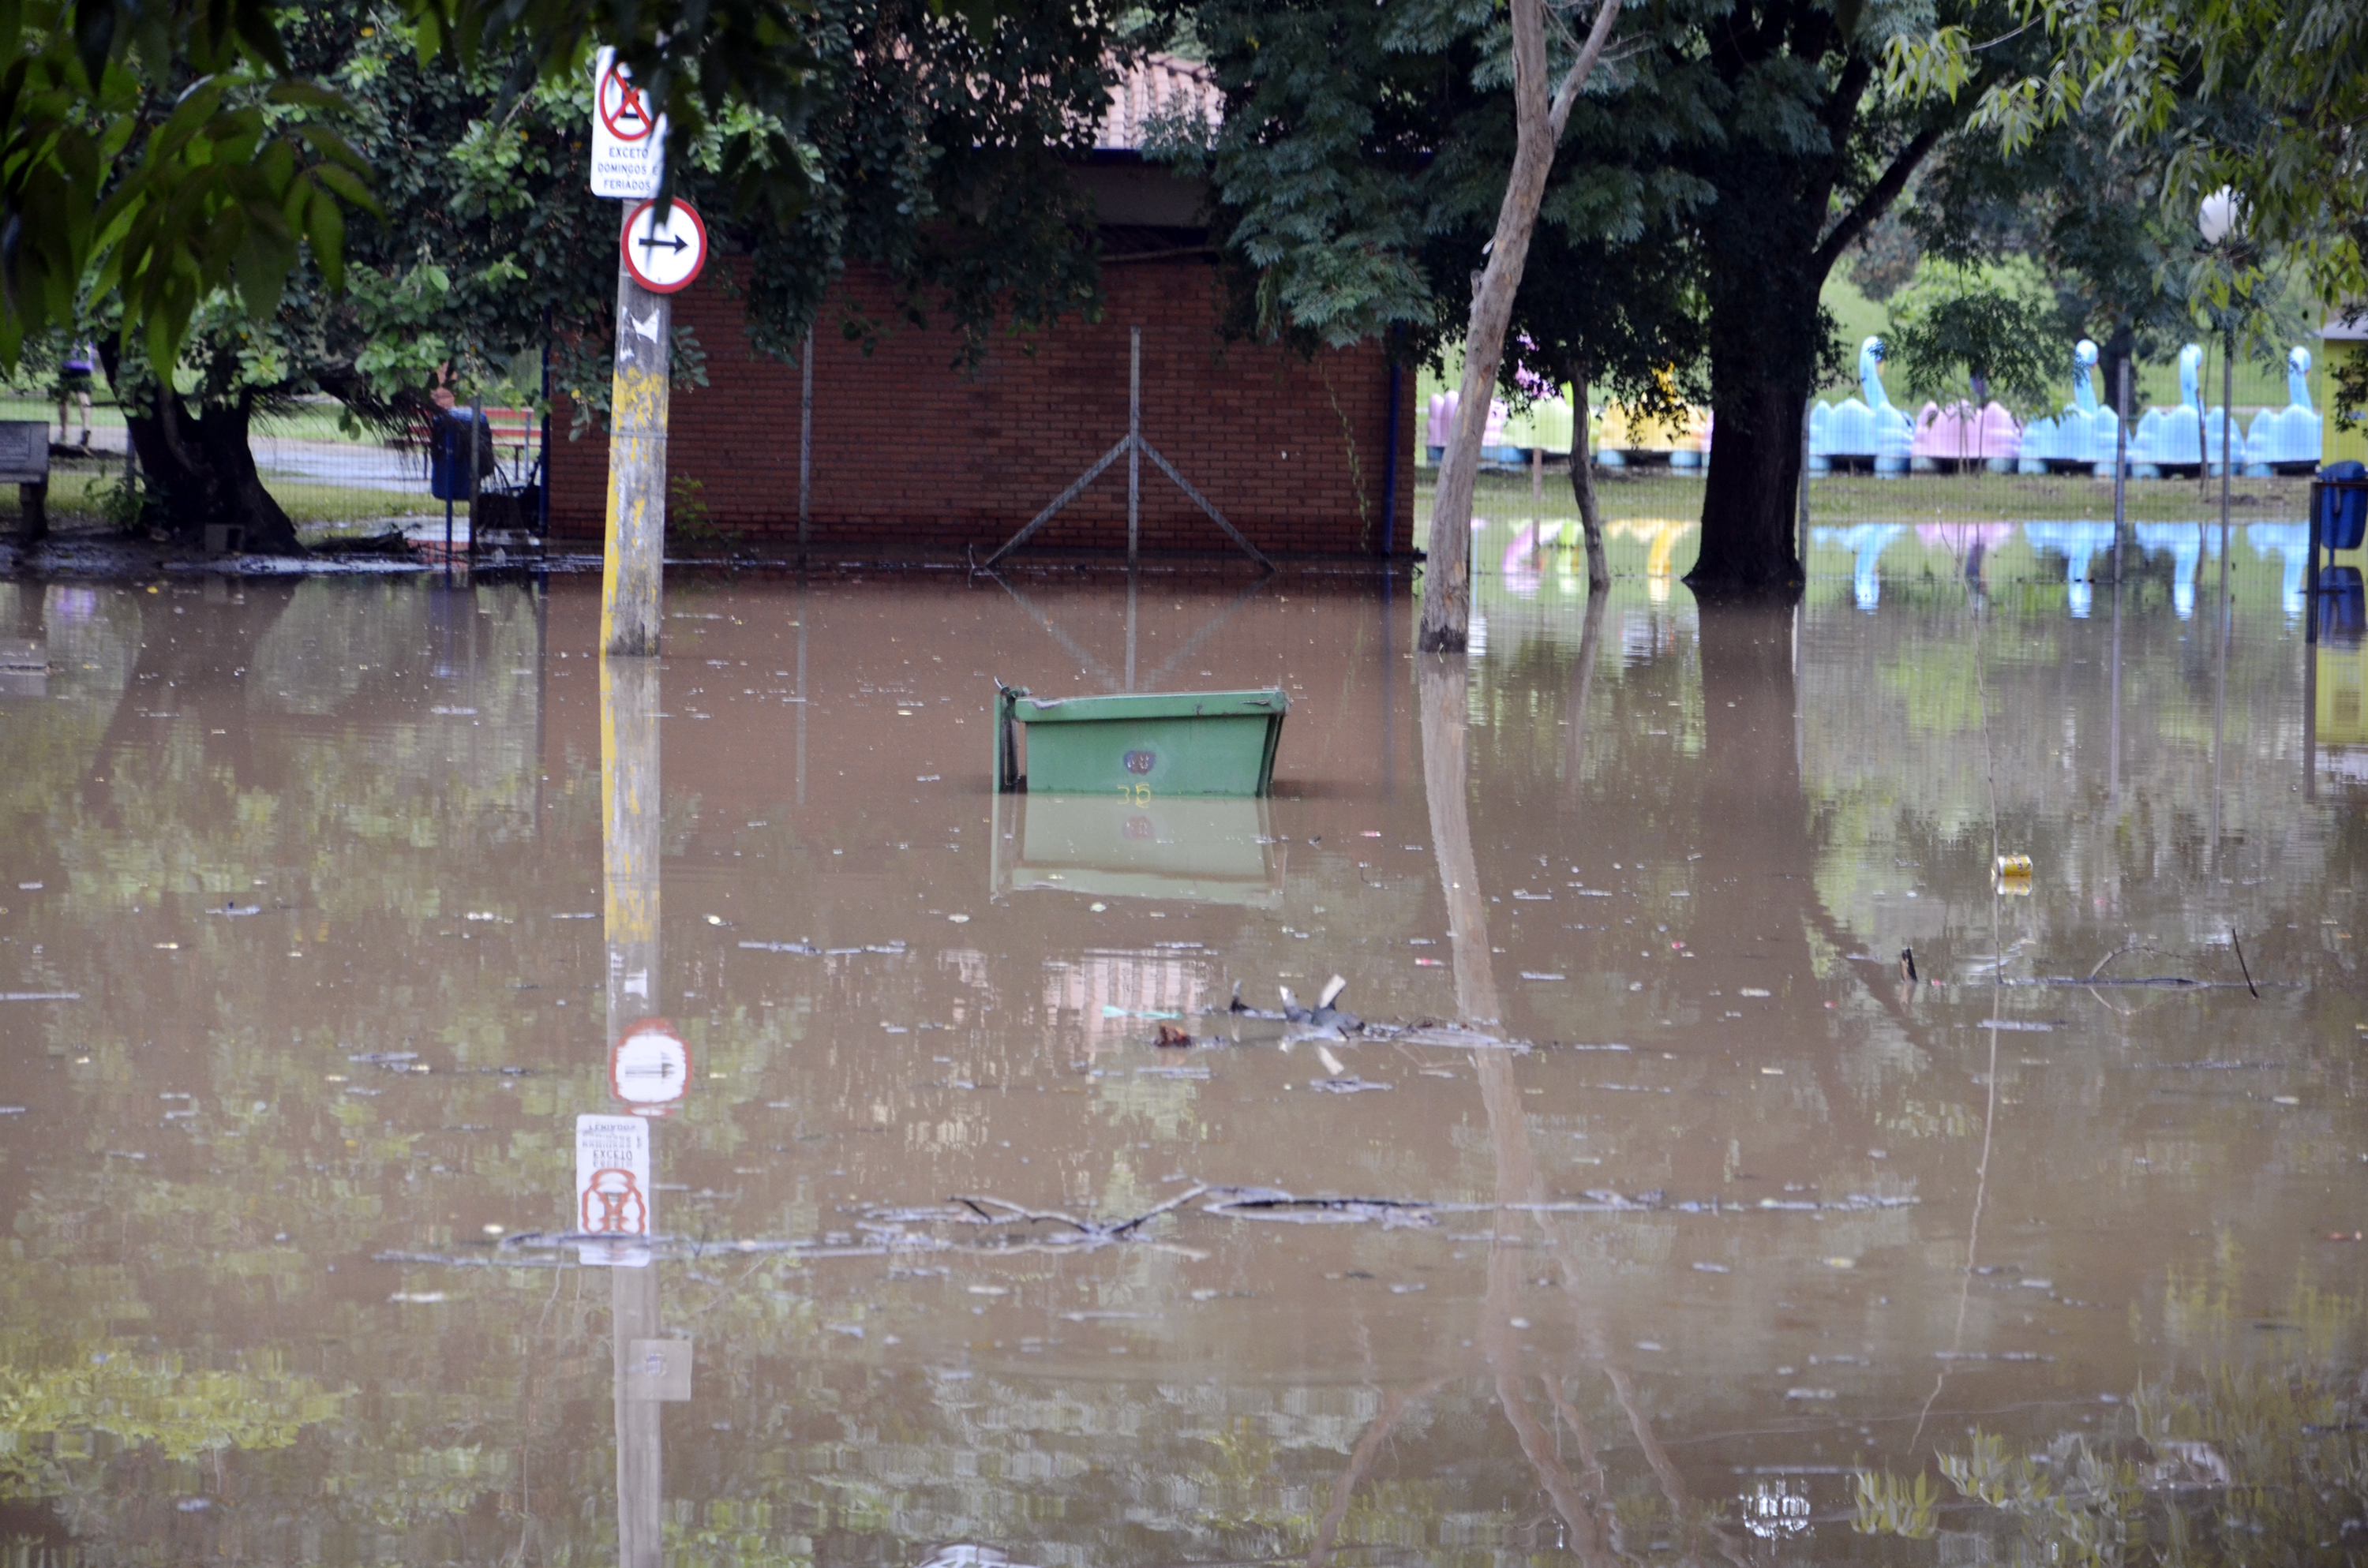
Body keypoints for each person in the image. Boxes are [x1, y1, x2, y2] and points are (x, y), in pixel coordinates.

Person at [57, 342, 93, 447]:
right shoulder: (87, 326)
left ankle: (63, 433)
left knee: (64, 398)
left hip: (67, 362)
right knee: (83, 395)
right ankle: (86, 427)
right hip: (84, 364)